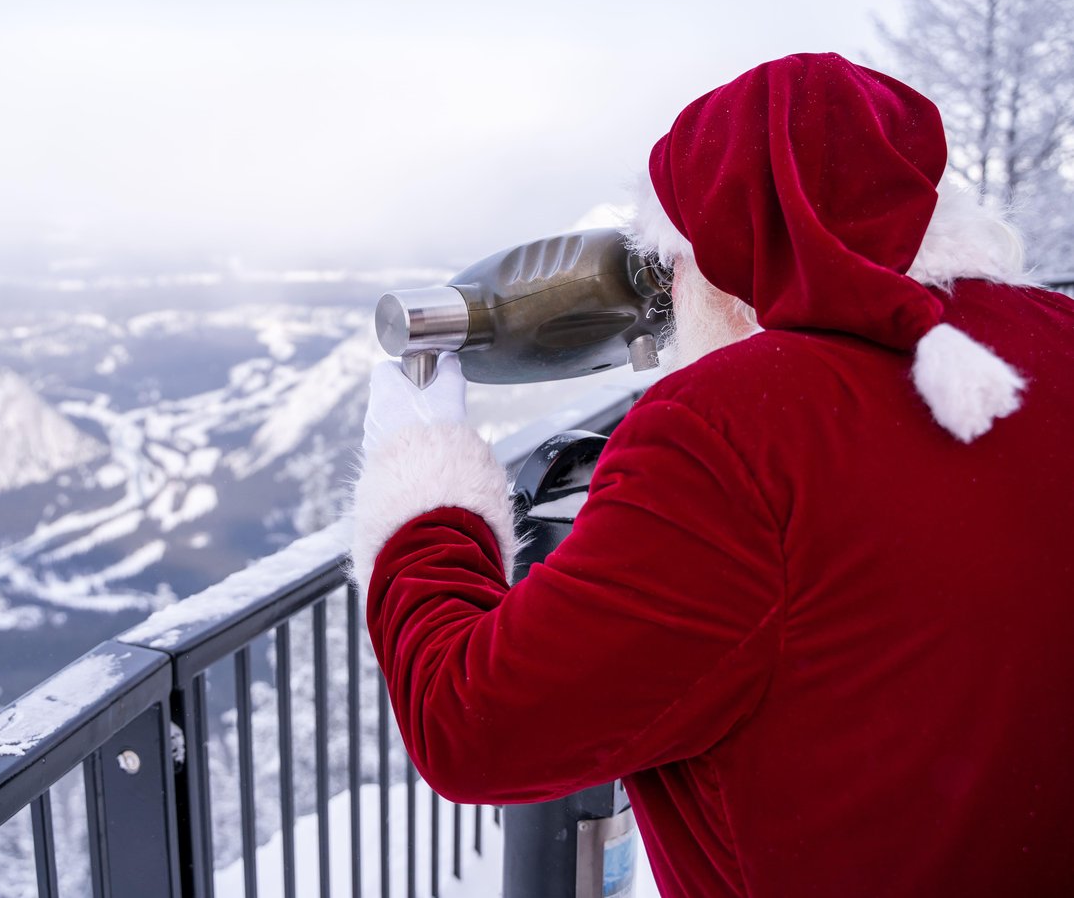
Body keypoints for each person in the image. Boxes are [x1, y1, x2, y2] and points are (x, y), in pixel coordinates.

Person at [350, 53, 1074, 897]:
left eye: (674, 267)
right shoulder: (1055, 336)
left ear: (724, 255)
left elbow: (470, 726)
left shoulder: (729, 430)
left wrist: (423, 484)